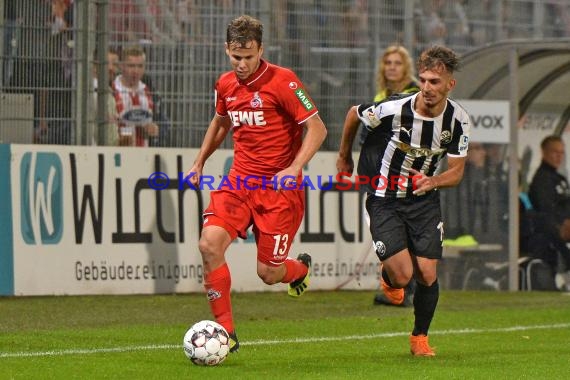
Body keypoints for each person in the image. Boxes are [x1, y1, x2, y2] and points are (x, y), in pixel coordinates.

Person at [186, 15, 327, 353]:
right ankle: (226, 332)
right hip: (239, 182)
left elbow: (318, 128)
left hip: (279, 191)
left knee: (268, 272)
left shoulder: (284, 82)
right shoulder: (225, 85)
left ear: (261, 49)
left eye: (249, 56)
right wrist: (200, 160)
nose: (243, 64)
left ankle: (298, 270)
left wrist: (295, 166)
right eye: (236, 57)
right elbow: (221, 122)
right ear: (227, 50)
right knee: (209, 245)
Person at [336, 45, 470, 356]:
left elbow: (457, 172)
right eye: (423, 80)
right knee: (402, 275)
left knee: (427, 273)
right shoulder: (395, 109)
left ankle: (419, 338)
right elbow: (353, 114)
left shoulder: (458, 121)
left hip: (424, 201)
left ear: (450, 84)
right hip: (384, 199)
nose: (427, 88)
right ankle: (389, 279)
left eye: (434, 82)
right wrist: (344, 157)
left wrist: (433, 180)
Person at [363, 45, 419, 306]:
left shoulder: (415, 93)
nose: (392, 67)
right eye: (388, 63)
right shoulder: (381, 95)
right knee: (391, 229)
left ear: (406, 67)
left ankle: (409, 289)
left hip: (407, 171)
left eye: (398, 62)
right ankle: (402, 286)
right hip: (382, 171)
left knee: (408, 229)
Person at [527, 135, 570, 286]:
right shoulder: (541, 180)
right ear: (544, 152)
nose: (559, 156)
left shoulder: (560, 179)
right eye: (555, 152)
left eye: (562, 153)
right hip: (550, 236)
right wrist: (561, 229)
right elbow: (546, 213)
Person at [111, 45, 169, 147]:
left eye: (140, 66)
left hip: (145, 155)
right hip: (117, 154)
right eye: (131, 66)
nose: (136, 71)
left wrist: (157, 129)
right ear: (122, 66)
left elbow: (164, 123)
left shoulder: (150, 92)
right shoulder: (111, 90)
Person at [91, 48, 120, 146]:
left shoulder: (108, 92)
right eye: (107, 63)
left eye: (115, 64)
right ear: (94, 66)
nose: (112, 68)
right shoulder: (93, 93)